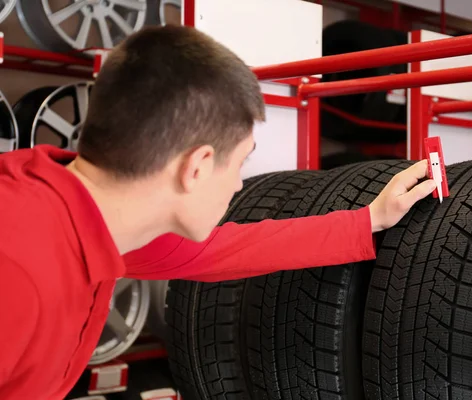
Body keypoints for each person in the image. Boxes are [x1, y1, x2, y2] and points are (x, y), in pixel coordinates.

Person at [0, 25, 436, 399]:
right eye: (240, 163)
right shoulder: (16, 269)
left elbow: (229, 249)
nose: (238, 184)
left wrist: (370, 219)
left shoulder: (98, 220)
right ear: (197, 167)